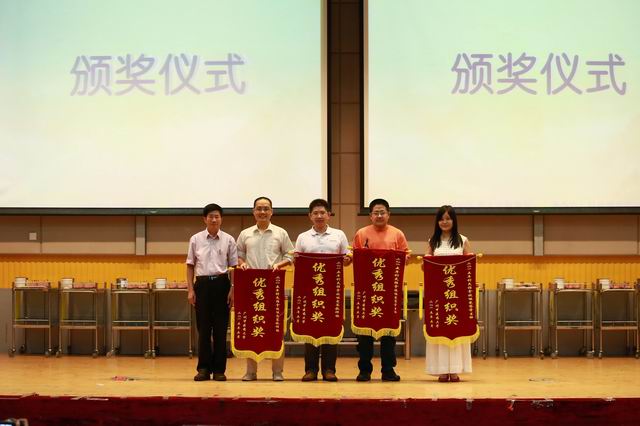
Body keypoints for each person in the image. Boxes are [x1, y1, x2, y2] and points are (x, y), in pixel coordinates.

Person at [237, 196, 294, 381]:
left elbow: (291, 256)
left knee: (275, 328)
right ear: (253, 212)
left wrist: (280, 264)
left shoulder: (280, 233)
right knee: (251, 327)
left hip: (273, 287)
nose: (262, 212)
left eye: (266, 208)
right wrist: (242, 263)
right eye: (259, 208)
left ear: (272, 211)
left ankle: (277, 371)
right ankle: (251, 371)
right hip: (251, 287)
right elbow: (238, 255)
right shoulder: (245, 233)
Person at [295, 198, 351, 382]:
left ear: (329, 215)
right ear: (310, 216)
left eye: (322, 213)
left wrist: (347, 260)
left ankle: (329, 369)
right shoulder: (303, 237)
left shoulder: (339, 235)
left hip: (332, 290)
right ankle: (311, 369)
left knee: (331, 327)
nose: (319, 216)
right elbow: (297, 260)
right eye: (315, 213)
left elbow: (347, 258)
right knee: (310, 326)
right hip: (310, 290)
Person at [352, 198, 409, 382]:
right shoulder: (361, 233)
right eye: (375, 212)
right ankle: (364, 370)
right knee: (364, 333)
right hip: (367, 291)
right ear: (370, 215)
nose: (379, 215)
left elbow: (405, 257)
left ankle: (388, 369)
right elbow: (354, 257)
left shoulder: (397, 234)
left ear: (388, 214)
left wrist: (403, 259)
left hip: (389, 292)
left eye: (382, 212)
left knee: (388, 333)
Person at [186, 203, 238, 382]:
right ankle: (203, 369)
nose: (214, 219)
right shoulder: (195, 239)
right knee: (204, 330)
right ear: (205, 219)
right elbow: (190, 265)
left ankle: (219, 370)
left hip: (222, 285)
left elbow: (234, 267)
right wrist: (190, 290)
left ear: (221, 219)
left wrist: (232, 289)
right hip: (202, 286)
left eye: (217, 216)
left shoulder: (229, 240)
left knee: (221, 330)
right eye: (210, 217)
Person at [425, 205, 472, 383]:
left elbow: (469, 265)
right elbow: (425, 265)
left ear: (454, 220)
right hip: (438, 294)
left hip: (456, 295)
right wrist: (425, 263)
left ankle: (455, 369)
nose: (445, 222)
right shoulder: (433, 241)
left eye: (448, 218)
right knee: (440, 329)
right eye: (441, 219)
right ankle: (442, 370)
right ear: (437, 222)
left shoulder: (463, 240)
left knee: (456, 329)